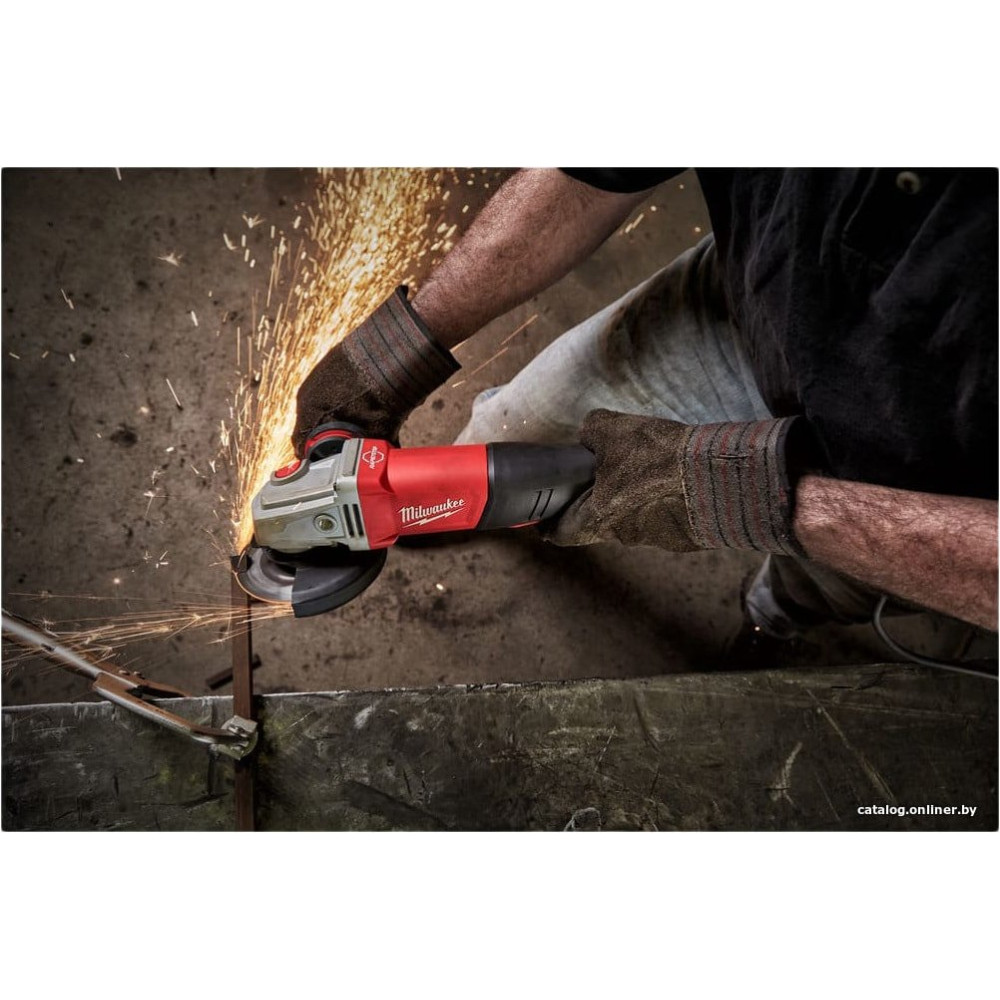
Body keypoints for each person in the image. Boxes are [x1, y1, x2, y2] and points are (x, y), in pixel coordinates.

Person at [292, 168, 998, 643]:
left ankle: (770, 624)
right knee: (516, 429)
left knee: (817, 589)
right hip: (755, 310)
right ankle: (428, 514)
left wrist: (756, 499)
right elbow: (592, 171)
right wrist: (394, 351)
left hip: (926, 487)